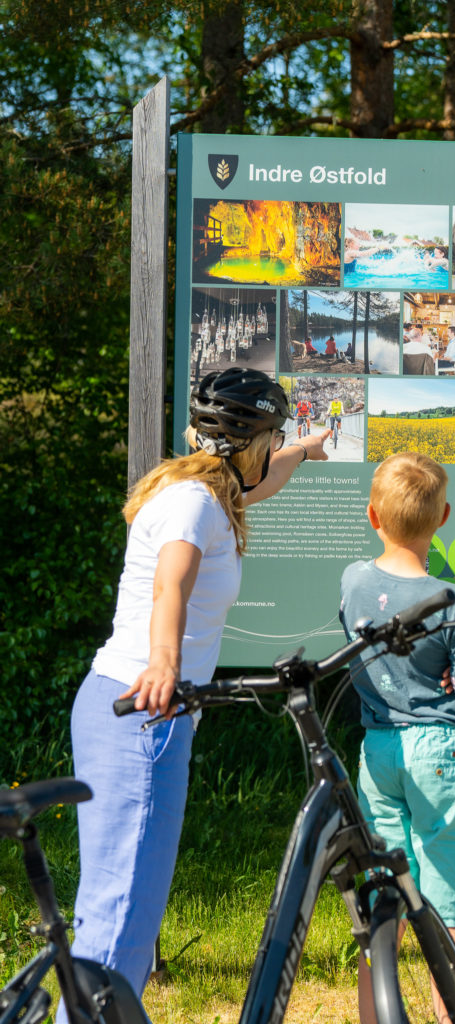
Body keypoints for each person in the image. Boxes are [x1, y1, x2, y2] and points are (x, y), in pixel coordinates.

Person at [60, 369, 331, 1014]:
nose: (275, 448)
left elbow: (261, 483)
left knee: (113, 901)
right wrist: (164, 664)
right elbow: (171, 582)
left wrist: (304, 449)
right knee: (127, 903)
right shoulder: (195, 506)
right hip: (145, 708)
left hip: (122, 704)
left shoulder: (203, 488)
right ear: (247, 441)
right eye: (273, 437)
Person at [339, 452, 455, 1021]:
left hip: (378, 749)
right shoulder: (454, 603)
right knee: (446, 901)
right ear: (444, 517)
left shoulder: (353, 579)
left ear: (373, 517)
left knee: (383, 891)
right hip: (442, 753)